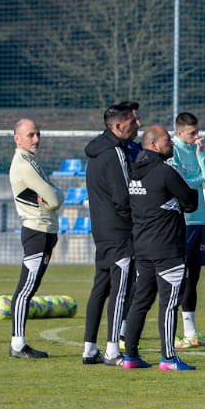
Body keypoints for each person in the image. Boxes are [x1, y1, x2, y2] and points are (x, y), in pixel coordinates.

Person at [121, 125, 200, 370]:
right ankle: (168, 357)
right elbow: (191, 202)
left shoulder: (132, 172)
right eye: (167, 140)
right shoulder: (165, 172)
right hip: (167, 248)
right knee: (169, 303)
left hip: (142, 248)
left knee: (140, 302)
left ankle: (130, 356)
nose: (172, 144)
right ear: (154, 145)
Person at [83, 103, 139, 364]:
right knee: (120, 292)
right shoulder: (115, 152)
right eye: (133, 122)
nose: (138, 125)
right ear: (118, 126)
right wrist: (137, 223)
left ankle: (89, 348)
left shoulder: (96, 152)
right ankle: (113, 349)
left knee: (100, 288)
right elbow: (122, 197)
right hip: (118, 232)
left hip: (101, 231)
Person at [7, 118, 61, 359]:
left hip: (46, 231)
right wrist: (51, 195)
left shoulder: (32, 161)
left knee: (31, 287)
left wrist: (51, 195)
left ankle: (19, 344)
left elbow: (55, 194)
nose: (36, 139)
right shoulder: (23, 164)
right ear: (17, 138)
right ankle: (17, 345)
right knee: (25, 289)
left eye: (37, 134)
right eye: (30, 135)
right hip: (36, 231)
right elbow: (57, 199)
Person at [170, 113, 205, 348]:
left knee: (194, 279)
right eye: (192, 133)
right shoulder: (174, 150)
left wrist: (201, 156)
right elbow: (182, 183)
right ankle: (172, 333)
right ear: (179, 133)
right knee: (180, 278)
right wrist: (196, 178)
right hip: (183, 222)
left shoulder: (196, 151)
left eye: (197, 132)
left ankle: (191, 333)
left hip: (199, 221)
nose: (197, 136)